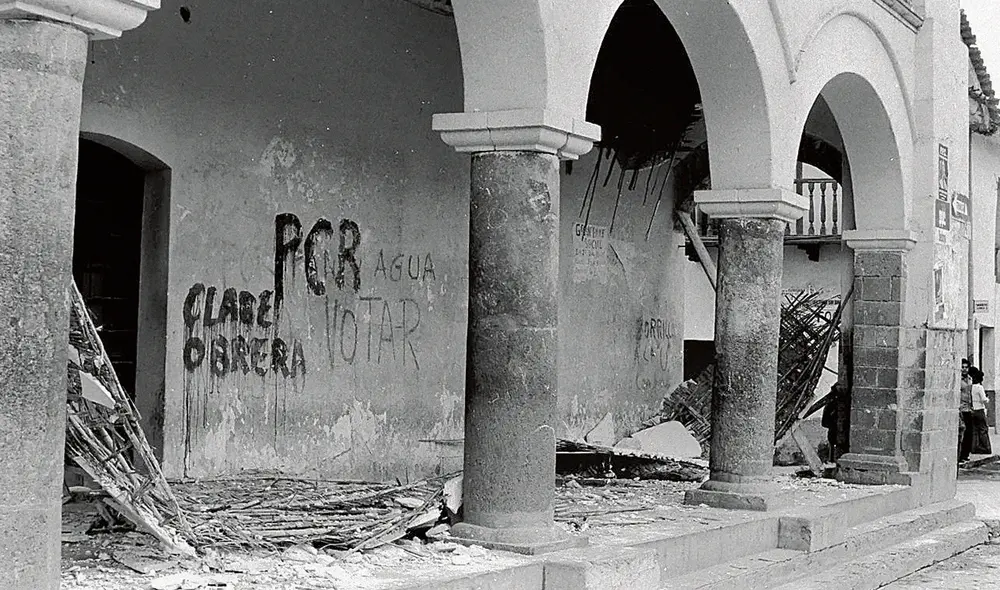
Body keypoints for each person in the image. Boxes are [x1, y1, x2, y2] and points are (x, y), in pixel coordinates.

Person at [821, 382, 850, 463]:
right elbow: (825, 421)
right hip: (835, 434)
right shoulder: (831, 404)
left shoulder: (832, 403)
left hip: (838, 433)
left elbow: (825, 421)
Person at [969, 366, 992, 456]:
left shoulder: (970, 387)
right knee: (983, 429)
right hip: (980, 409)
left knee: (974, 429)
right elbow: (984, 399)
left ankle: (974, 447)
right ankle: (986, 447)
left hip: (972, 410)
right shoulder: (979, 387)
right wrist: (988, 398)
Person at [959, 358, 973, 464]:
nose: (964, 369)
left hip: (969, 409)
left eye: (966, 367)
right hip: (961, 408)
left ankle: (965, 454)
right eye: (962, 367)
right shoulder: (958, 380)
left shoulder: (970, 379)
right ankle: (960, 455)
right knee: (962, 432)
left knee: (969, 432)